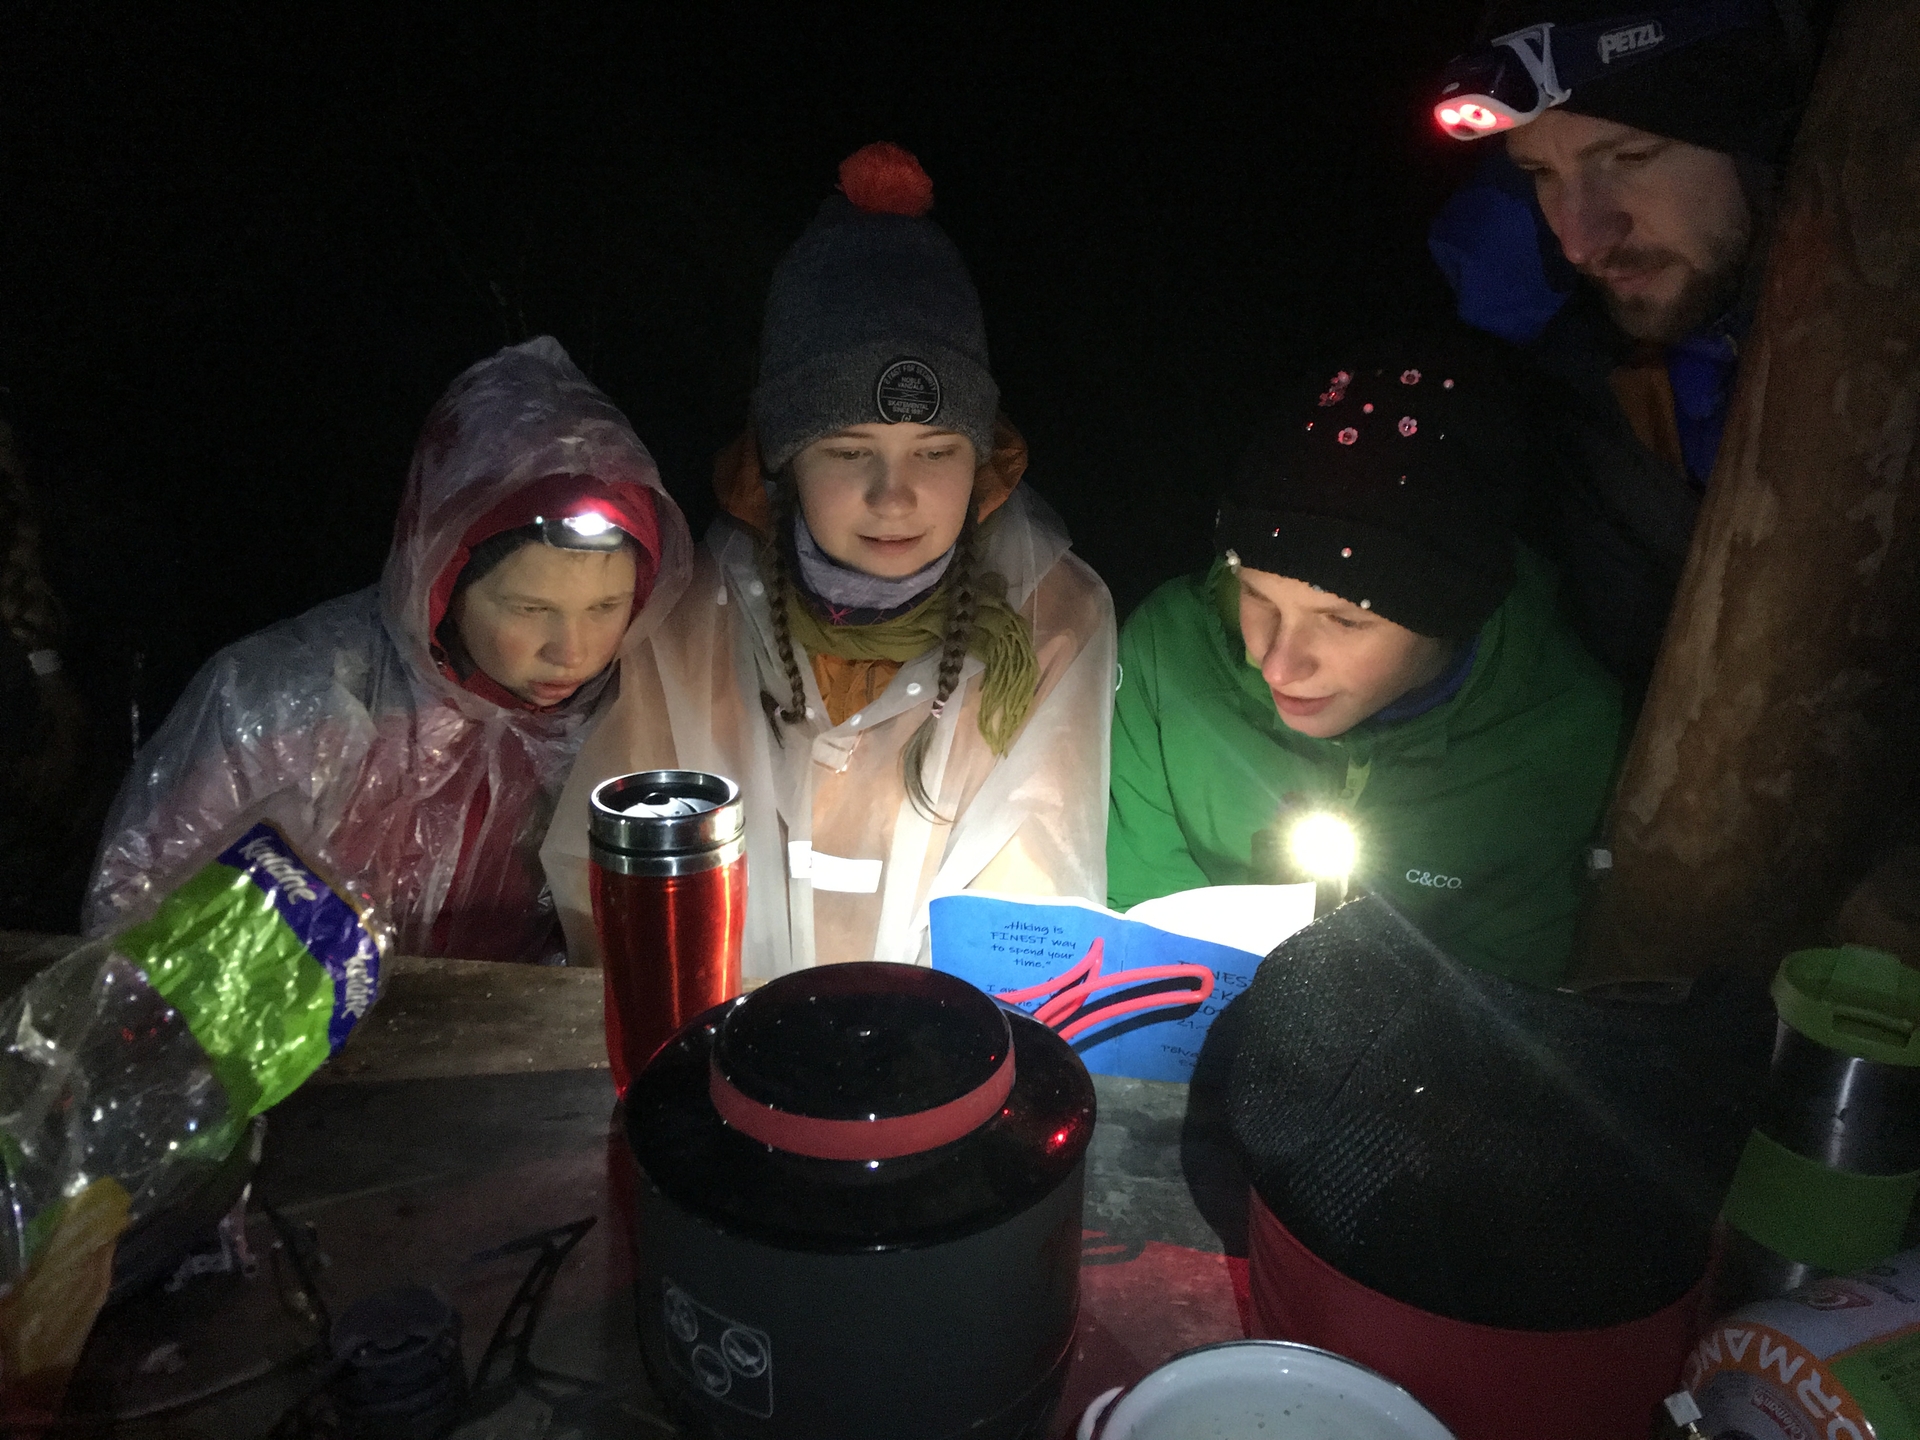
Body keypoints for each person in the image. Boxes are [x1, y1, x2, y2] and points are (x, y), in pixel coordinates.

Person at [546, 143, 1115, 975]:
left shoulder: (1050, 620)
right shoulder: (694, 618)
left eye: (935, 452)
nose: (895, 496)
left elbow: (1035, 896)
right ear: (785, 461)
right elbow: (616, 879)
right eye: (849, 452)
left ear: (982, 457)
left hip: (945, 1042)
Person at [87, 337, 690, 963]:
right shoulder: (290, 701)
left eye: (606, 607)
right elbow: (136, 914)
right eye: (530, 609)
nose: (573, 652)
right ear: (442, 580)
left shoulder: (631, 715)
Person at [1107, 345, 1622, 986]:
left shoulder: (1561, 730)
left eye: (1345, 621)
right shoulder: (1169, 653)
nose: (1278, 666)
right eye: (1258, 596)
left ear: (1450, 614)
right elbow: (1139, 915)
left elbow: (1505, 988)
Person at [1425, 0, 1812, 704]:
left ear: (1763, 140)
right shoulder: (1569, 389)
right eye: (1539, 172)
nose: (1579, 240)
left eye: (1630, 157)